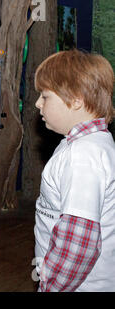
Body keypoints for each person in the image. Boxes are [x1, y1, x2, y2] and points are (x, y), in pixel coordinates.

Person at [33, 49, 115, 291]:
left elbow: (78, 244)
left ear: (77, 99)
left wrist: (50, 288)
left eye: (45, 96)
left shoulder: (83, 156)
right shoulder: (92, 144)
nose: (38, 103)